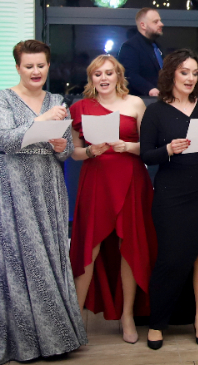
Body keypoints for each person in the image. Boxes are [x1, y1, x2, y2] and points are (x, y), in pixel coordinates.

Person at [0, 40, 86, 365]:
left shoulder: (56, 100)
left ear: (48, 66)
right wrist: (42, 121)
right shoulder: (1, 98)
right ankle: (21, 342)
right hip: (12, 185)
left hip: (48, 184)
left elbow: (66, 151)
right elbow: (4, 141)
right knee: (13, 258)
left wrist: (59, 145)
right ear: (18, 67)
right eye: (29, 66)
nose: (35, 71)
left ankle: (56, 338)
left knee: (48, 256)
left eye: (41, 65)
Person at [139, 49, 198, 349]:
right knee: (169, 259)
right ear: (171, 73)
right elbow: (146, 154)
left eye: (195, 73)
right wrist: (168, 149)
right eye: (184, 72)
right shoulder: (155, 111)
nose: (190, 78)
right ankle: (157, 323)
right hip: (171, 192)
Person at [68, 55, 155, 344]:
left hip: (131, 180)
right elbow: (73, 152)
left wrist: (127, 146)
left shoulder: (135, 104)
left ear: (118, 75)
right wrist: (89, 151)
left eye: (108, 73)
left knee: (128, 247)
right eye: (97, 74)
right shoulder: (79, 107)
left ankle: (128, 315)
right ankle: (75, 318)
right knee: (89, 247)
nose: (103, 78)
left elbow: (150, 147)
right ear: (91, 79)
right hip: (96, 182)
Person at [116, 7, 164, 97]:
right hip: (141, 99)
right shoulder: (130, 46)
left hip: (159, 99)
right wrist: (150, 89)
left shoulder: (156, 46)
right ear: (143, 25)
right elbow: (129, 74)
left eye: (160, 21)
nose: (161, 24)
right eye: (155, 22)